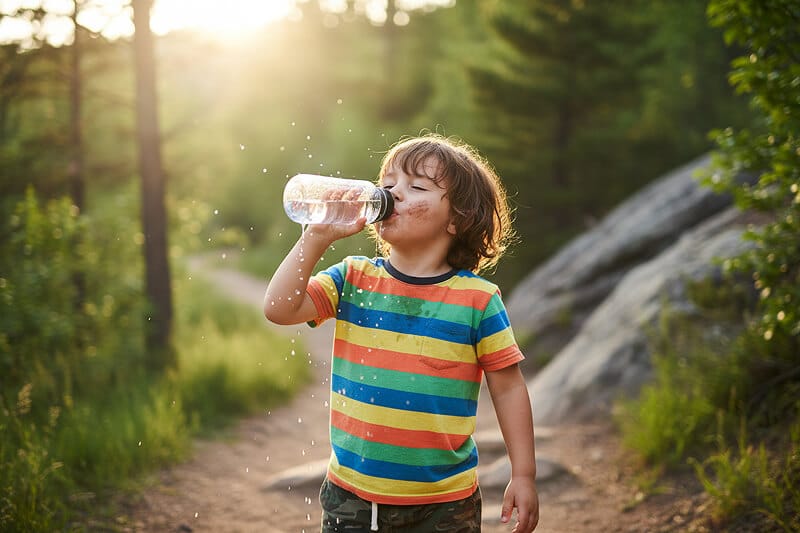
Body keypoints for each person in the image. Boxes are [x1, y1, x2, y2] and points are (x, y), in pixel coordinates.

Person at [264, 134, 539, 533]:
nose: (393, 194)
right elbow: (280, 308)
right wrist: (316, 236)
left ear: (456, 219)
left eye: (417, 187)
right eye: (388, 184)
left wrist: (524, 474)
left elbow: (509, 388)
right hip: (351, 495)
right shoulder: (353, 277)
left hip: (445, 504)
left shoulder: (478, 300)